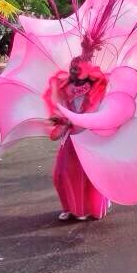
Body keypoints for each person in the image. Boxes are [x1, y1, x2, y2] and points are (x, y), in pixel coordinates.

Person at [47, 58, 110, 221]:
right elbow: (62, 108)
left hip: (87, 135)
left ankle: (83, 208)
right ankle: (69, 206)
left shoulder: (97, 88)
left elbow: (95, 113)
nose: (73, 71)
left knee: (86, 174)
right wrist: (60, 118)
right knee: (62, 173)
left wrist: (74, 121)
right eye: (72, 68)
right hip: (70, 135)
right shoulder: (64, 86)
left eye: (78, 68)